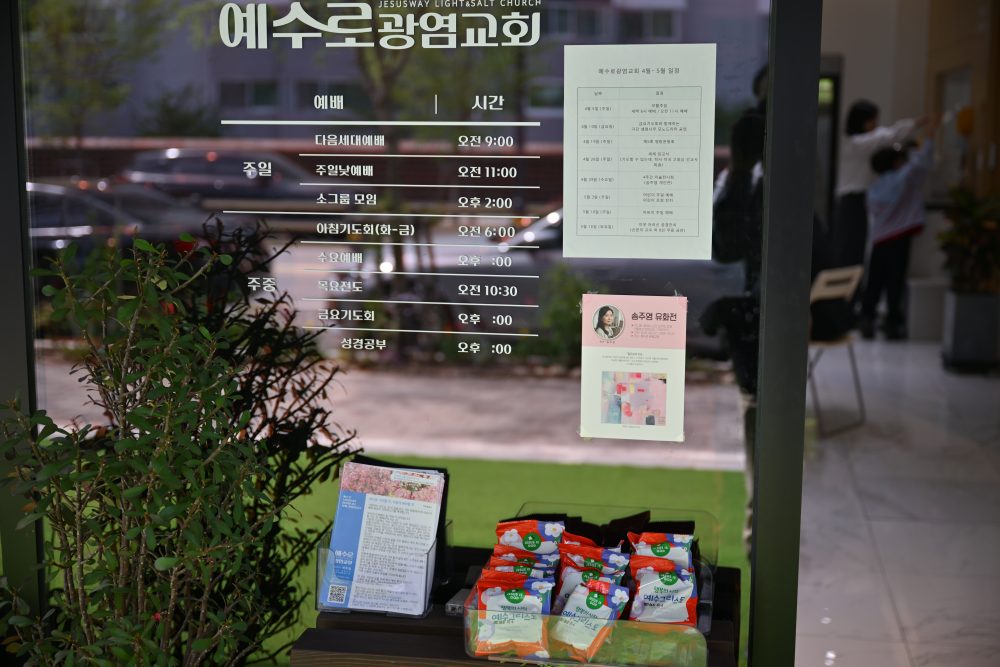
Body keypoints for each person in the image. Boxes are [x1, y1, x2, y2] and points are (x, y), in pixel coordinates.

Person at [860, 120, 938, 339]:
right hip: (899, 238)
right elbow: (922, 164)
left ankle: (867, 318)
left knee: (874, 282)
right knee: (895, 282)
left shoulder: (874, 188)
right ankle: (893, 323)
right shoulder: (904, 178)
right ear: (896, 163)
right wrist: (929, 138)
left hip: (879, 239)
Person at [832, 100, 925, 270]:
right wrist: (917, 123)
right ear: (862, 121)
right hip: (853, 200)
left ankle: (853, 283)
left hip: (856, 200)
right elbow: (888, 136)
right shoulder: (857, 143)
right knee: (851, 248)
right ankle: (849, 285)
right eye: (872, 120)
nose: (875, 125)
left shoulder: (858, 143)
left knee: (856, 247)